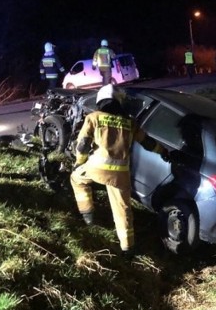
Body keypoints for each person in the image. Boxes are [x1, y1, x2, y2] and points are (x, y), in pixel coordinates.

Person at [70, 84, 169, 259]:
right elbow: (148, 143)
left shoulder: (93, 118)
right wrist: (164, 152)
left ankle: (88, 216)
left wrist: (79, 163)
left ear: (100, 101)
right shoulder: (130, 122)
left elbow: (83, 144)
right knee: (123, 209)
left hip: (96, 169)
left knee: (77, 178)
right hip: (120, 175)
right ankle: (128, 248)